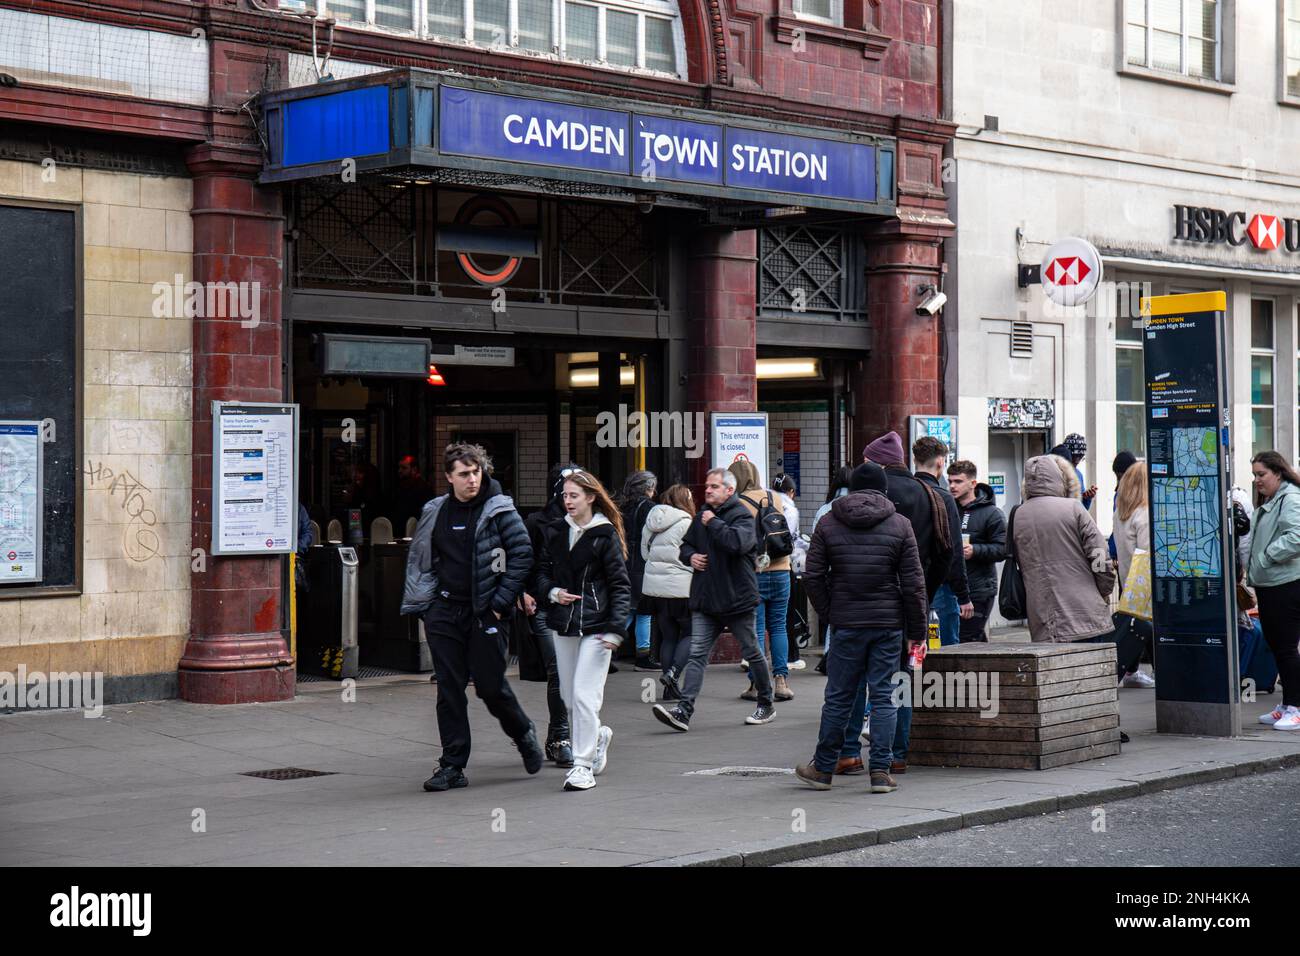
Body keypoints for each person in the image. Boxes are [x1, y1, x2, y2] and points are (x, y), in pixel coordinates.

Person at [400, 443, 544, 792]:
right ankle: (452, 766)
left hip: (486, 613)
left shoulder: (500, 510)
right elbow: (421, 558)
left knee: (490, 687)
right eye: (464, 474)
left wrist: (499, 603)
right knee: (449, 689)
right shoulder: (436, 511)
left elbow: (523, 555)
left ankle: (523, 732)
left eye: (476, 471)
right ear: (449, 477)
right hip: (445, 611)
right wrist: (428, 606)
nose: (472, 479)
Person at [795, 461, 927, 794]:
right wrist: (917, 630)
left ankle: (823, 768)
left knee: (838, 697)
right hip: (888, 625)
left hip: (847, 624)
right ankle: (881, 772)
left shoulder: (828, 522)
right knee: (884, 698)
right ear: (885, 489)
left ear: (851, 489)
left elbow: (812, 577)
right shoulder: (900, 525)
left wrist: (831, 613)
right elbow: (913, 584)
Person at [650, 467, 776, 732]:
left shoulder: (740, 515)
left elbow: (738, 544)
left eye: (714, 486)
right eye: (707, 486)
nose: (707, 490)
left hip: (736, 598)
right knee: (697, 655)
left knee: (752, 651)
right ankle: (683, 711)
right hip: (706, 599)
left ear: (729, 490)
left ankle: (766, 703)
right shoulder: (702, 516)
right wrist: (690, 557)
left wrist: (713, 523)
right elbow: (686, 545)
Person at [535, 468, 631, 790]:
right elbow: (542, 574)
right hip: (563, 623)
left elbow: (620, 585)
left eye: (574, 495)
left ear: (591, 497)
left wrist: (616, 629)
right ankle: (599, 735)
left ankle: (582, 765)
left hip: (598, 626)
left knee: (583, 695)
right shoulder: (555, 532)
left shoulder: (604, 535)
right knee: (567, 696)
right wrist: (552, 593)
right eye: (564, 495)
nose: (567, 501)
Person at [1012, 454, 1115, 643]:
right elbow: (1099, 553)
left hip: (1043, 620)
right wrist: (1104, 588)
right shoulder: (1074, 508)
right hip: (1085, 615)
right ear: (1060, 479)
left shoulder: (1017, 515)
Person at [523, 463, 578, 768]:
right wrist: (523, 592)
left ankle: (574, 734)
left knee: (575, 674)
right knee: (558, 668)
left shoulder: (592, 522)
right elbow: (522, 560)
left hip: (578, 609)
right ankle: (560, 737)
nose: (572, 497)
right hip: (544, 606)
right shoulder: (536, 523)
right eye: (568, 489)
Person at [731, 460, 795, 702]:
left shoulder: (738, 503)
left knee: (756, 630)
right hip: (781, 570)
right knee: (778, 626)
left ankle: (757, 685)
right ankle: (781, 681)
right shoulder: (776, 497)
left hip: (754, 573)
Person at [1247, 451, 1300, 731]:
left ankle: (1296, 707)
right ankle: (1287, 704)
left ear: (1278, 473)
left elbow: (1297, 536)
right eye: (1254, 475)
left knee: (1287, 647)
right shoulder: (1272, 499)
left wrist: (1266, 557)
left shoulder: (1289, 498)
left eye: (1261, 474)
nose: (1257, 480)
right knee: (1279, 646)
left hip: (1285, 583)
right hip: (1270, 583)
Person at [913, 436, 974, 648]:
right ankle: (942, 681)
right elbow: (954, 551)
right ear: (941, 462)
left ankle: (915, 678)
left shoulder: (904, 492)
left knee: (915, 645)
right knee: (942, 646)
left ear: (915, 460)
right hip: (940, 586)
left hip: (908, 584)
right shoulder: (942, 498)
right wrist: (963, 595)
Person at [640, 483, 696, 701]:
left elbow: (645, 554)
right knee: (693, 633)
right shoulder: (687, 522)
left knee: (668, 637)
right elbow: (693, 556)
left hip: (656, 590)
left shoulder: (650, 522)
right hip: (681, 588)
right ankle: (673, 675)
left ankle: (668, 688)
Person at [946, 460, 1006, 643]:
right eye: (950, 481)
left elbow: (1004, 548)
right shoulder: (947, 508)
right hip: (951, 588)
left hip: (979, 589)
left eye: (958, 481)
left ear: (973, 483)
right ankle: (988, 670)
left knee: (967, 638)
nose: (952, 486)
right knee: (970, 639)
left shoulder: (992, 513)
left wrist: (976, 551)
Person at [1113, 460, 1155, 688]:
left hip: (1127, 579)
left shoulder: (1120, 513)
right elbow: (1148, 553)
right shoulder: (1145, 513)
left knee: (1137, 629)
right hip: (1145, 584)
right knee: (1150, 631)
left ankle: (1131, 671)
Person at [812, 465, 853, 675]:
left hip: (830, 572)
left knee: (833, 620)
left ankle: (830, 657)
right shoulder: (859, 506)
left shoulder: (824, 510)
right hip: (853, 571)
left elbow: (814, 547)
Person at [618, 470, 658, 671]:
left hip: (624, 562)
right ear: (649, 488)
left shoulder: (622, 507)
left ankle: (606, 650)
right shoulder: (651, 508)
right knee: (641, 611)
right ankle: (641, 656)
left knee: (632, 609)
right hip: (642, 564)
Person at [1050, 432, 1097, 511]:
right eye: (1074, 457)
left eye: (1080, 457)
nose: (1077, 461)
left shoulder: (1079, 475)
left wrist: (1086, 498)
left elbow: (1082, 510)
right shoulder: (1050, 473)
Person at [1107, 451, 1139, 560]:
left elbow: (1120, 528)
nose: (1119, 481)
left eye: (1120, 476)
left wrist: (1112, 552)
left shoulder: (1123, 495)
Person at [393, 455, 435, 534]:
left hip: (415, 532)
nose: (400, 471)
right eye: (399, 467)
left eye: (404, 468)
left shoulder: (423, 488)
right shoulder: (400, 487)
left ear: (414, 470)